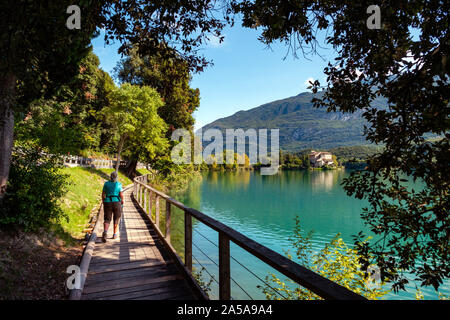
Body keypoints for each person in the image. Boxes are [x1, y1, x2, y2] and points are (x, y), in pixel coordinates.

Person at [101, 171, 123, 242]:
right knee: (116, 218)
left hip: (108, 202)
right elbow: (121, 194)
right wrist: (122, 201)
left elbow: (103, 194)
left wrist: (103, 201)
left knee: (107, 218)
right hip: (116, 202)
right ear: (116, 178)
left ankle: (105, 232)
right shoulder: (119, 184)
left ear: (110, 177)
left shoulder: (106, 184)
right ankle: (114, 234)